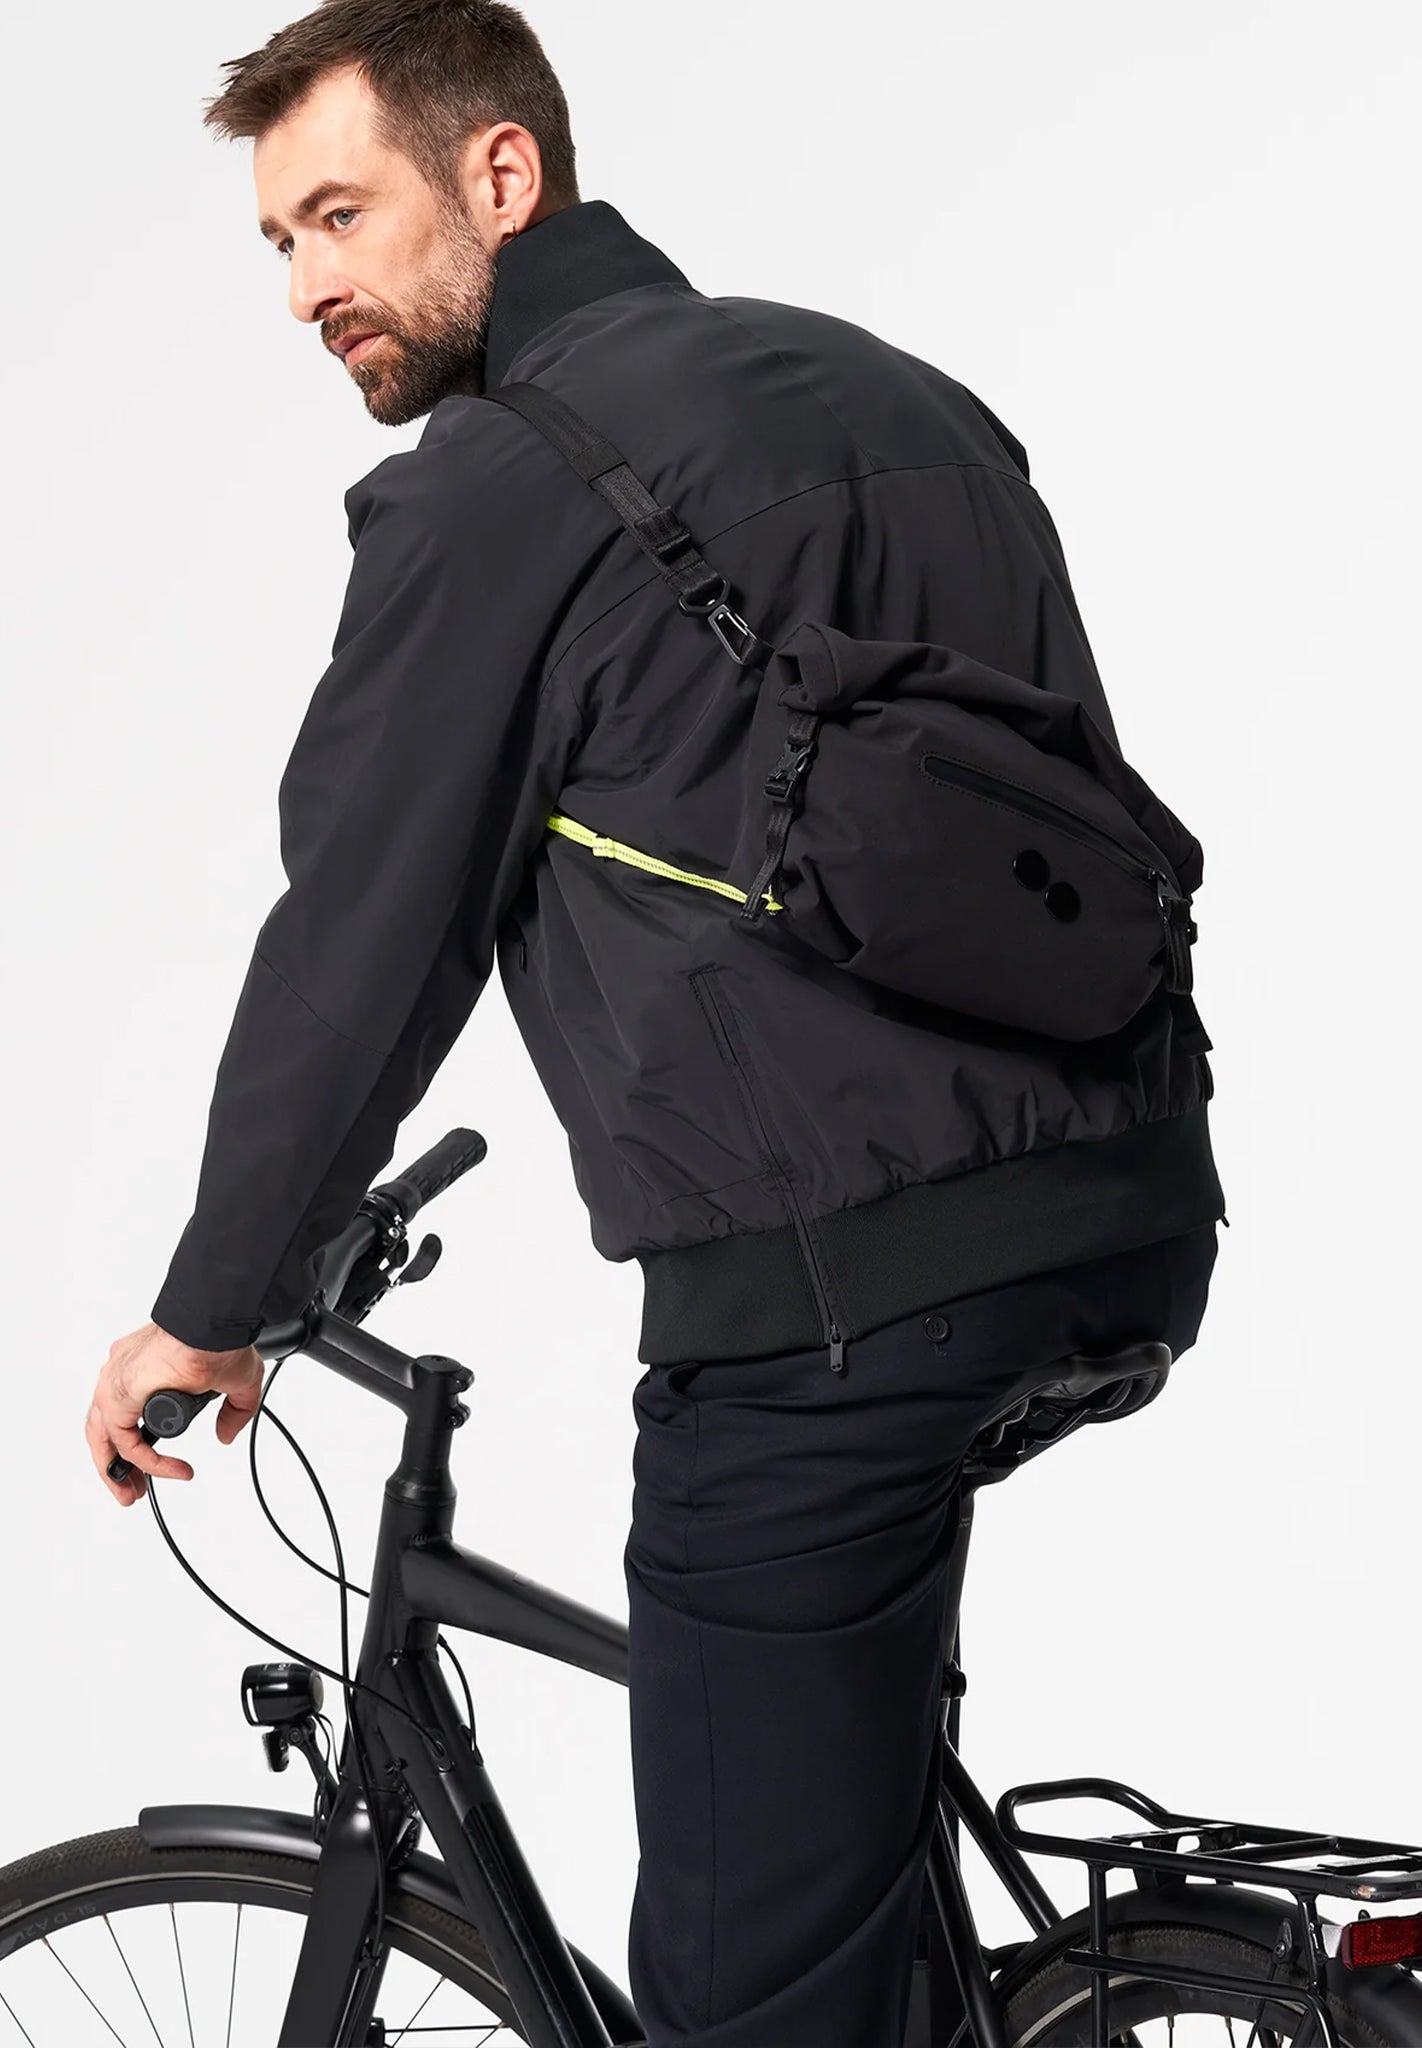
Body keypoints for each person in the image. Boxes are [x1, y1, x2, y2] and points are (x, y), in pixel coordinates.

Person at [84, 4, 1226, 2042]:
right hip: (1128, 1213)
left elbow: (365, 939)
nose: (306, 285)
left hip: (830, 1306)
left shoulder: (496, 486)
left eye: (338, 213)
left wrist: (212, 1306)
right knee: (843, 1874)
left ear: (501, 175)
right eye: (276, 241)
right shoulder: (903, 395)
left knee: (745, 1999)